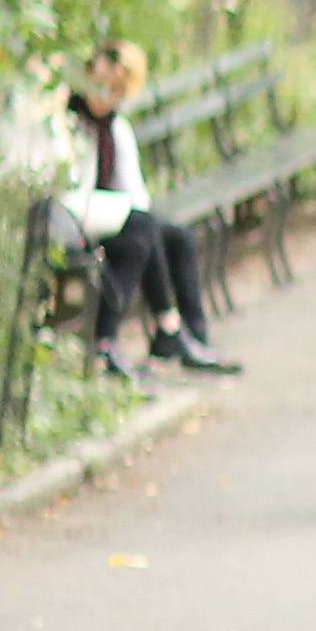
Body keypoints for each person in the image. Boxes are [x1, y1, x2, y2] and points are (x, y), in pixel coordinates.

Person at [55, 40, 241, 383]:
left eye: (115, 90)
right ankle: (158, 332)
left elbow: (134, 191)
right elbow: (67, 183)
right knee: (143, 231)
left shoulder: (116, 128)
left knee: (175, 236)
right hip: (71, 216)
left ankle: (191, 335)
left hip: (113, 218)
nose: (105, 96)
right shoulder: (67, 122)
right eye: (101, 85)